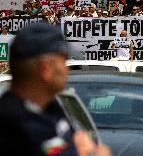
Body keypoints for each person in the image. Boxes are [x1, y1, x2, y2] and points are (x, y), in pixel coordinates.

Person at [0, 23, 111, 156]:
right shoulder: (16, 124)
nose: (67, 70)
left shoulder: (48, 107)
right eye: (63, 62)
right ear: (46, 69)